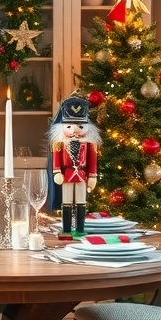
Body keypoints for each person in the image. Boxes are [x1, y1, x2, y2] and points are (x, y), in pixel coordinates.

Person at [47, 94, 100, 235]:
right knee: (67, 201)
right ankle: (66, 229)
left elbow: (92, 161)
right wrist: (57, 172)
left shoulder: (90, 145)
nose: (74, 130)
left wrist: (92, 176)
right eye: (69, 126)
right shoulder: (59, 144)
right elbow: (57, 159)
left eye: (80, 126)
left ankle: (80, 229)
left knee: (81, 202)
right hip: (67, 175)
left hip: (82, 175)